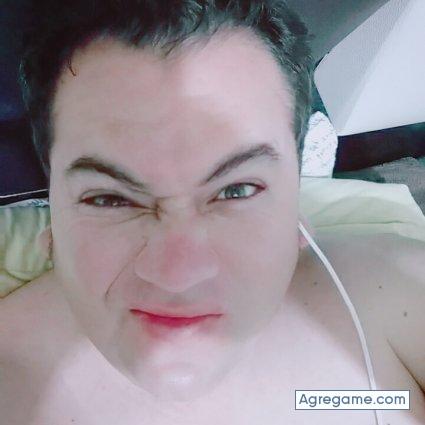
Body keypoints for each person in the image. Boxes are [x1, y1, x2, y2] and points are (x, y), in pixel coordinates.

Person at [1, 1, 424, 424]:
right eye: (110, 198)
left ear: (296, 214)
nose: (178, 277)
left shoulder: (391, 292)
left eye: (236, 190)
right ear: (52, 229)